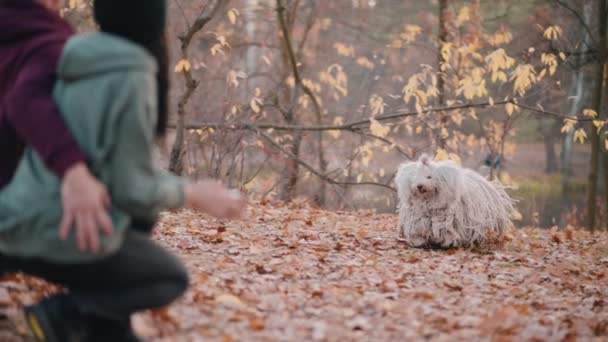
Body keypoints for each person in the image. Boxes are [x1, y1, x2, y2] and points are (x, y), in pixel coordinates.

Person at [0, 0, 247, 341]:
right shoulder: (128, 73)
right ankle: (59, 315)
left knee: (136, 218)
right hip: (48, 228)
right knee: (167, 276)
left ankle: (107, 329)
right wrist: (193, 194)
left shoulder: (72, 53)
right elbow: (132, 188)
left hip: (12, 214)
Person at [0, 0, 114, 253]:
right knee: (161, 274)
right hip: (13, 209)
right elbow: (24, 101)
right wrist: (75, 172)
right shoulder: (48, 41)